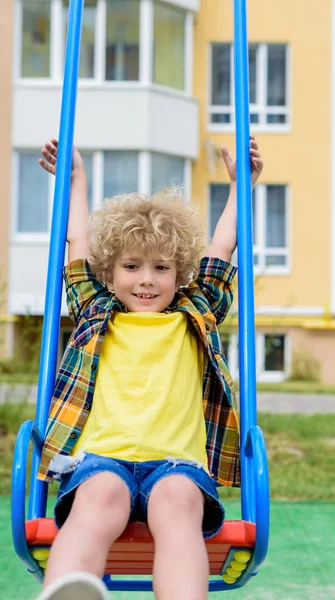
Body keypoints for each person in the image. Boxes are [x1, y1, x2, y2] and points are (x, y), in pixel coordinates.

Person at [35, 137, 263, 600]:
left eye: (161, 267)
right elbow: (76, 243)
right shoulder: (97, 313)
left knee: (178, 504)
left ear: (180, 273)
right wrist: (74, 181)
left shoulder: (194, 313)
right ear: (109, 272)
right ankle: (67, 590)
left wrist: (243, 187)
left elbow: (221, 248)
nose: (145, 279)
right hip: (103, 461)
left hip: (177, 465)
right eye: (132, 266)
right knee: (98, 500)